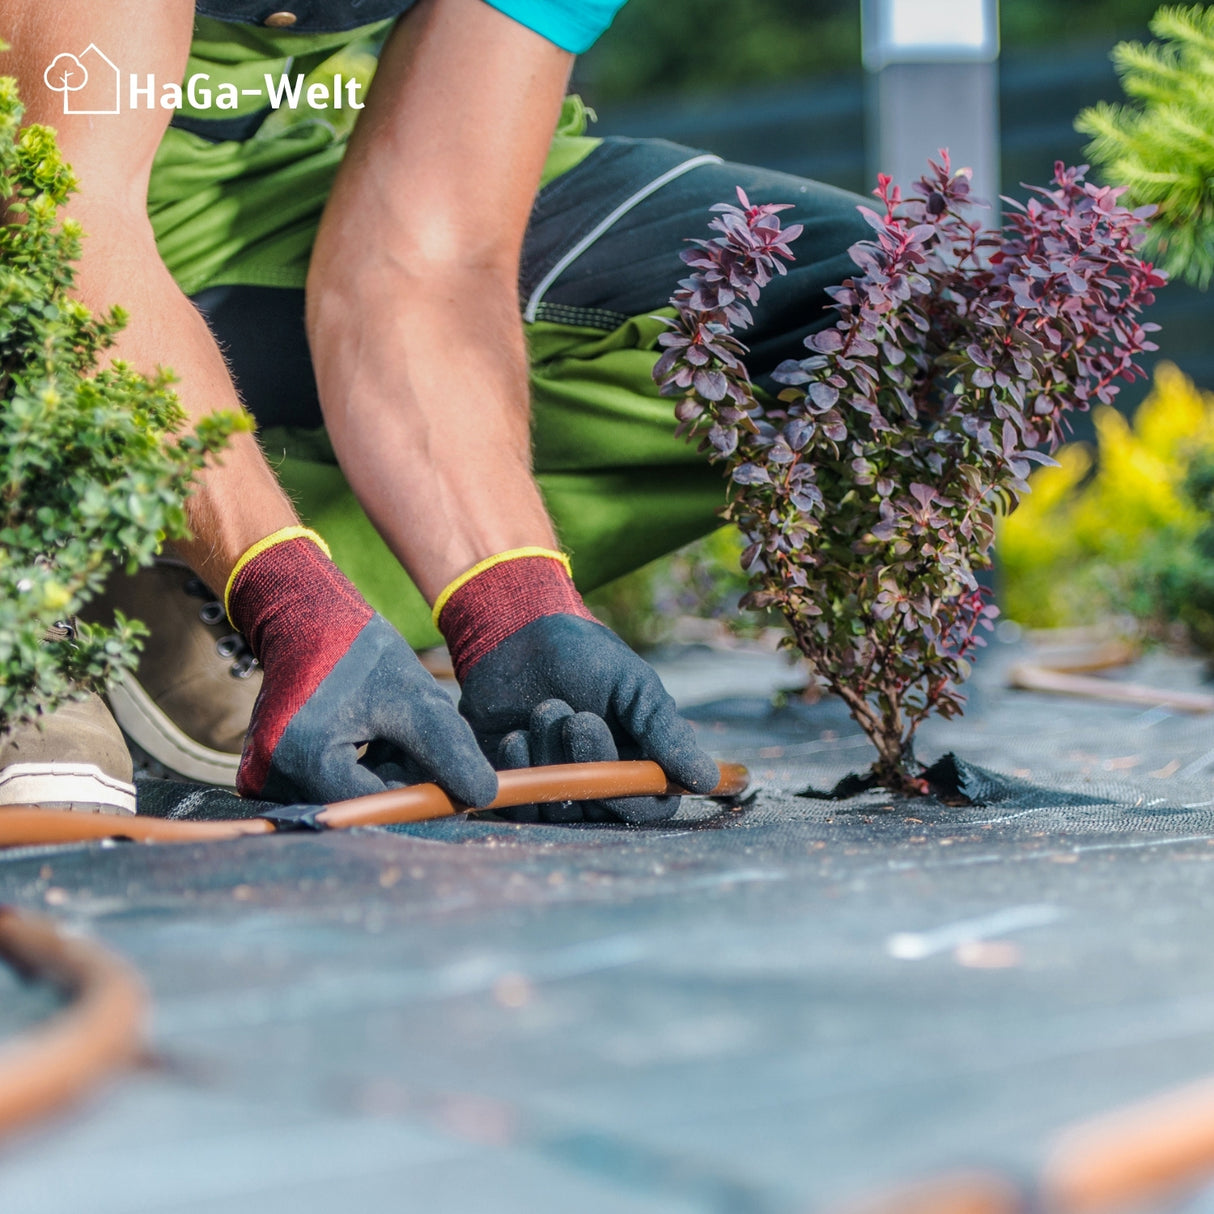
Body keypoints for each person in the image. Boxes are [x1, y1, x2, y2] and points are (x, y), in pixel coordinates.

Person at [0, 0, 868, 822]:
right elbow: (64, 209)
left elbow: (426, 259)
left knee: (871, 307)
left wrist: (512, 605)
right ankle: (46, 580)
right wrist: (285, 598)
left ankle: (173, 570)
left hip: (268, 185)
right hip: (56, 166)